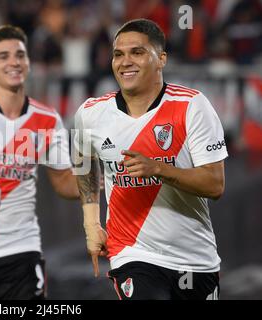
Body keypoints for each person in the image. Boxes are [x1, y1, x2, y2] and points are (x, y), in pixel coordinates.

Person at [73, 19, 228, 300]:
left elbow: (215, 184)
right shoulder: (91, 113)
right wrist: (91, 224)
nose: (125, 62)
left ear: (161, 59)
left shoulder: (191, 106)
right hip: (132, 253)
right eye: (118, 54)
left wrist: (158, 169)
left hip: (195, 259)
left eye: (137, 52)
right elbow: (83, 163)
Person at [0, 25, 79, 300]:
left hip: (20, 248)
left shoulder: (47, 119)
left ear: (29, 63)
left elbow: (64, 182)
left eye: (19, 55)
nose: (13, 62)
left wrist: (106, 178)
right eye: (3, 56)